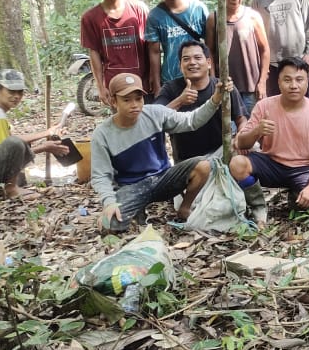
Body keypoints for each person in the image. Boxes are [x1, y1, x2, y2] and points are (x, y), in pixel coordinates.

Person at [91, 72, 231, 232]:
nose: (135, 105)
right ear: (113, 101)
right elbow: (100, 175)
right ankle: (138, 212)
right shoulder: (102, 134)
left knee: (203, 165)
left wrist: (215, 100)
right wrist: (109, 202)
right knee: (110, 226)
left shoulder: (154, 113)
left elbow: (191, 120)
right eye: (127, 100)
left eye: (138, 98)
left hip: (163, 178)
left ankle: (185, 208)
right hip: (131, 186)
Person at [228, 57, 309, 211]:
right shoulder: (264, 106)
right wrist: (257, 131)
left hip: (303, 167)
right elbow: (241, 143)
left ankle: (297, 194)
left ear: (307, 82)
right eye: (287, 80)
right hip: (271, 163)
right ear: (278, 82)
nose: (293, 86)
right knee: (237, 164)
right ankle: (257, 205)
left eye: (299, 80)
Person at [0, 70, 69, 201]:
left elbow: (8, 141)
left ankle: (12, 186)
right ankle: (11, 190)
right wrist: (44, 147)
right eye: (11, 91)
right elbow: (9, 150)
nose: (16, 96)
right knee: (15, 144)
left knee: (16, 143)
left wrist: (47, 133)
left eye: (20, 92)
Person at [154, 40, 247, 162]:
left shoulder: (223, 87)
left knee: (253, 147)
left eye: (197, 58)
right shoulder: (170, 88)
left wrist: (240, 136)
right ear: (180, 65)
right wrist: (180, 101)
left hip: (222, 153)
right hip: (188, 161)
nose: (192, 62)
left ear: (208, 63)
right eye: (186, 59)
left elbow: (242, 119)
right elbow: (154, 118)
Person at [79, 0, 152, 105]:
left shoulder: (139, 9)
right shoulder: (90, 18)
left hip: (142, 83)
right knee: (122, 125)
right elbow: (94, 54)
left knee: (150, 124)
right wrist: (100, 87)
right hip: (115, 85)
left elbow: (151, 46)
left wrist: (154, 77)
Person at [250, 0, 309, 97]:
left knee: (302, 104)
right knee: (275, 105)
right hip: (272, 64)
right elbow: (254, 34)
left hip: (298, 60)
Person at [206, 0, 270, 113]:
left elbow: (265, 49)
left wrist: (262, 81)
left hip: (251, 87)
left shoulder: (253, 16)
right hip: (225, 86)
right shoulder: (214, 19)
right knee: (229, 131)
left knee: (252, 129)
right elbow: (209, 51)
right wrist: (212, 80)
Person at [146, 0, 214, 94]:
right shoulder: (155, 16)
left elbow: (210, 46)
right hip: (171, 79)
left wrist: (212, 75)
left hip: (199, 77)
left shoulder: (198, 9)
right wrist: (156, 84)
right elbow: (154, 52)